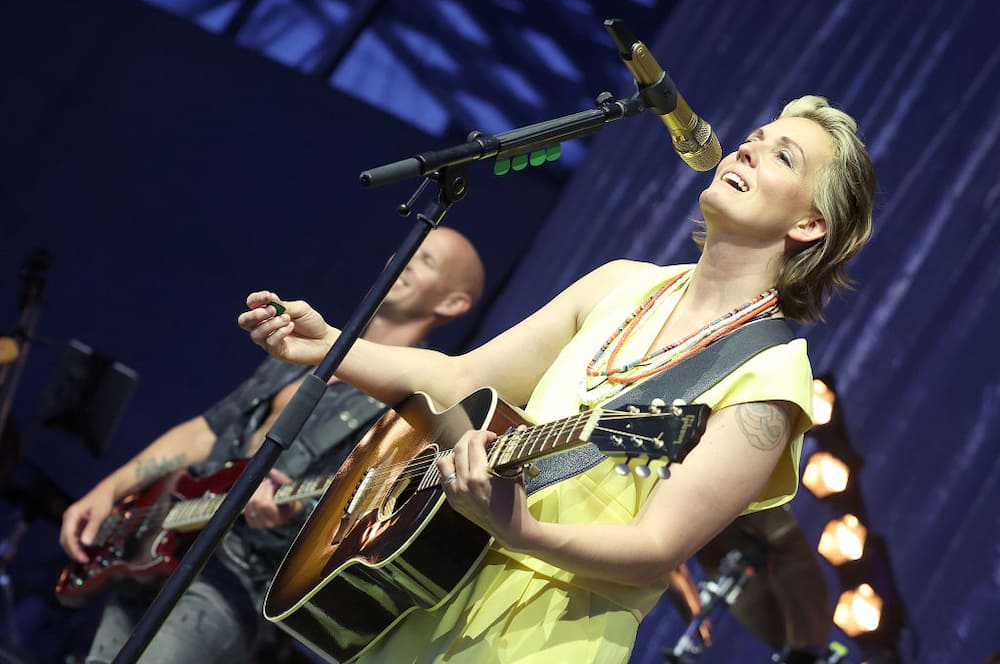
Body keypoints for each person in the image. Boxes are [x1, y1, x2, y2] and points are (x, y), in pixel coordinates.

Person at [238, 95, 877, 663]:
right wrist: (329, 348)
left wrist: (523, 531)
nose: (748, 148)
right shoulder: (621, 283)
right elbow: (455, 379)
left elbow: (656, 546)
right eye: (754, 138)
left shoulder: (772, 373)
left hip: (555, 636)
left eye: (782, 156)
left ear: (810, 224)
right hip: (436, 592)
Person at [59, 226, 486, 663]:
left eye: (428, 260)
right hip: (162, 545)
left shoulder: (414, 398)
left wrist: (293, 514)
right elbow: (205, 431)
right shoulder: (306, 349)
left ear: (453, 303)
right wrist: (108, 489)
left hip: (238, 584)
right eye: (412, 246)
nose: (410, 257)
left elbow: (369, 516)